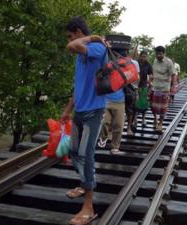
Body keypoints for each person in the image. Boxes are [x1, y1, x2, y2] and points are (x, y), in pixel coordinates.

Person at [61, 16, 106, 225]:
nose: (69, 40)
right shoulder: (81, 54)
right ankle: (84, 183)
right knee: (74, 151)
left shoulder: (97, 48)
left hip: (93, 112)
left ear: (79, 32)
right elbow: (79, 84)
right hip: (80, 111)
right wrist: (68, 110)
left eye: (71, 35)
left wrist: (93, 37)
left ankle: (89, 206)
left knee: (86, 155)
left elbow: (72, 45)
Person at [151, 46, 176, 132]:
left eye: (160, 54)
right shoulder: (155, 60)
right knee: (154, 107)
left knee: (163, 107)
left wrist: (173, 86)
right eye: (157, 54)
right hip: (155, 87)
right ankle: (155, 120)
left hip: (164, 88)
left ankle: (160, 123)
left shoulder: (168, 62)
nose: (158, 55)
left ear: (164, 53)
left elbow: (173, 74)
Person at [135, 51, 153, 127]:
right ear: (139, 56)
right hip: (136, 86)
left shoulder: (148, 65)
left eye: (145, 57)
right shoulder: (136, 63)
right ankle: (135, 118)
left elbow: (151, 76)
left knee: (144, 103)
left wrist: (150, 86)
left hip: (144, 85)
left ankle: (143, 118)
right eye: (142, 56)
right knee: (135, 103)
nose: (143, 58)